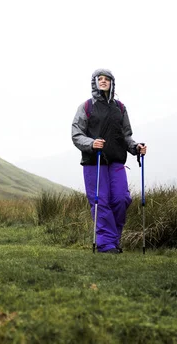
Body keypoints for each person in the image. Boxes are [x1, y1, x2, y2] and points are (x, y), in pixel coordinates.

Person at [71, 69, 147, 254]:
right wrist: (91, 143)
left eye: (107, 79)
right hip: (94, 161)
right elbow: (76, 134)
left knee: (121, 199)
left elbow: (126, 136)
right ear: (94, 83)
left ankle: (113, 240)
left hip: (116, 162)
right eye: (100, 79)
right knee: (100, 202)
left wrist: (136, 147)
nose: (103, 82)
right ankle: (106, 245)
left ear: (112, 83)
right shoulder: (86, 107)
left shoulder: (120, 108)